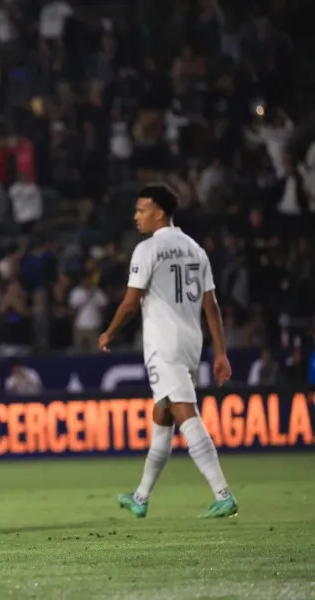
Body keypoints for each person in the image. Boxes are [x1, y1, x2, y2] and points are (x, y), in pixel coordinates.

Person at [98, 183, 238, 519]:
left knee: (184, 412)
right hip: (191, 342)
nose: (137, 217)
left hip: (163, 343)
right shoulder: (195, 249)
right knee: (162, 415)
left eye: (141, 210)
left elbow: (131, 302)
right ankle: (141, 497)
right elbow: (211, 305)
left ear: (159, 211)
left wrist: (109, 332)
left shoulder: (147, 250)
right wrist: (220, 352)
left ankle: (223, 494)